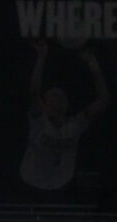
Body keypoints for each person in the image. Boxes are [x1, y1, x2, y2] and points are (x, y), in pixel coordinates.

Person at [19, 42, 110, 194]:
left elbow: (104, 100)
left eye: (60, 96)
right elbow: (34, 94)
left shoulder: (75, 125)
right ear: (45, 104)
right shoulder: (39, 123)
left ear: (66, 104)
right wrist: (41, 59)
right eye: (52, 96)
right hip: (30, 181)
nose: (56, 99)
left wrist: (93, 65)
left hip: (61, 185)